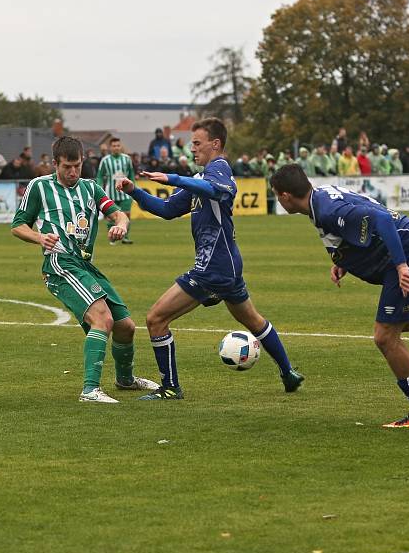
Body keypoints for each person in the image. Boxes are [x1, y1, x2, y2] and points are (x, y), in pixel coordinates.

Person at [117, 117, 304, 399]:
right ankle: (288, 374)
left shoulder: (219, 170)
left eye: (197, 143)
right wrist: (135, 192)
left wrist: (174, 178)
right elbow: (167, 209)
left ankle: (170, 388)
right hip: (225, 264)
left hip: (212, 267)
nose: (192, 149)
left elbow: (217, 190)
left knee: (156, 319)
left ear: (215, 144)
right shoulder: (199, 179)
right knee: (253, 321)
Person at [271, 164, 409, 428]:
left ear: (284, 196)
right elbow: (356, 224)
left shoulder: (326, 209)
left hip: (407, 250)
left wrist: (402, 265)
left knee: (385, 336)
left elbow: (381, 220)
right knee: (401, 324)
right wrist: (344, 260)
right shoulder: (320, 199)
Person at [10, 136, 158, 402]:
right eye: (67, 166)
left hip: (85, 264)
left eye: (77, 165)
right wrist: (39, 238)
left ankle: (125, 381)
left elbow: (119, 214)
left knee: (126, 326)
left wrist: (120, 226)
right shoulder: (39, 187)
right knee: (102, 319)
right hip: (59, 263)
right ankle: (90, 390)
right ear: (55, 163)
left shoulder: (90, 188)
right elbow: (18, 225)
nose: (73, 172)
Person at [97, 137, 136, 245]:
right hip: (111, 192)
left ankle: (125, 237)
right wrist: (99, 188)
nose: (116, 148)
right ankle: (112, 238)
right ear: (110, 147)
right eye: (114, 146)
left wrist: (133, 188)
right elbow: (100, 176)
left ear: (121, 146)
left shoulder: (127, 159)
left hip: (125, 193)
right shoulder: (105, 160)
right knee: (111, 216)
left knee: (127, 215)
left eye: (118, 145)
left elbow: (131, 174)